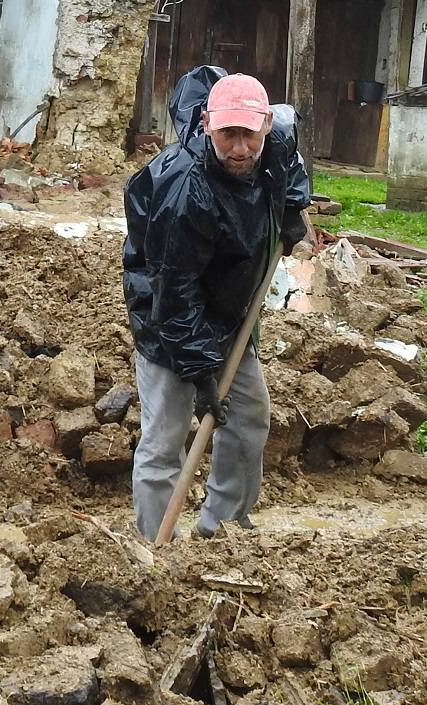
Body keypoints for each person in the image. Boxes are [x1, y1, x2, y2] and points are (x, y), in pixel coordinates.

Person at [123, 66, 312, 541]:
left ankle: (223, 531)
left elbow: (289, 167)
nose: (240, 148)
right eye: (228, 135)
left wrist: (291, 207)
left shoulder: (277, 141)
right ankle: (155, 548)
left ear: (266, 126)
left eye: (249, 135)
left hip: (231, 309)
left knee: (249, 418)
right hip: (169, 318)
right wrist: (201, 371)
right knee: (166, 440)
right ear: (207, 125)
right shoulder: (184, 191)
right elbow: (174, 292)